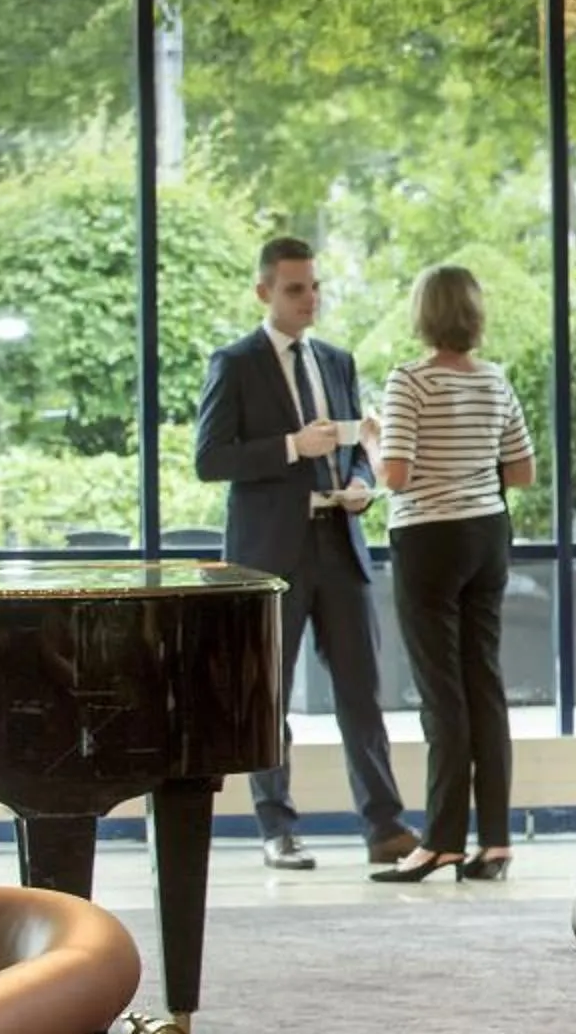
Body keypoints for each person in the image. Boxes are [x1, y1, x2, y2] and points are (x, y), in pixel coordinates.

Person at [194, 236, 418, 871]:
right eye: (295, 289)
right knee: (270, 696)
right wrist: (292, 446)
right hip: (271, 556)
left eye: (315, 287)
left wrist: (361, 485)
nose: (309, 299)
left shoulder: (337, 361)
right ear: (264, 292)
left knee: (361, 693)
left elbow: (353, 447)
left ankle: (385, 827)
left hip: (339, 543)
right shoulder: (235, 363)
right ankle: (278, 829)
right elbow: (210, 459)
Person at [370, 266, 538, 884]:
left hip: (428, 540)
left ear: (423, 314)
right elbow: (522, 472)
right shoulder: (495, 379)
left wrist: (371, 440)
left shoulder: (409, 381)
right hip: (487, 536)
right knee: (483, 686)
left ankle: (440, 841)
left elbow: (395, 476)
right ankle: (494, 842)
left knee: (441, 693)